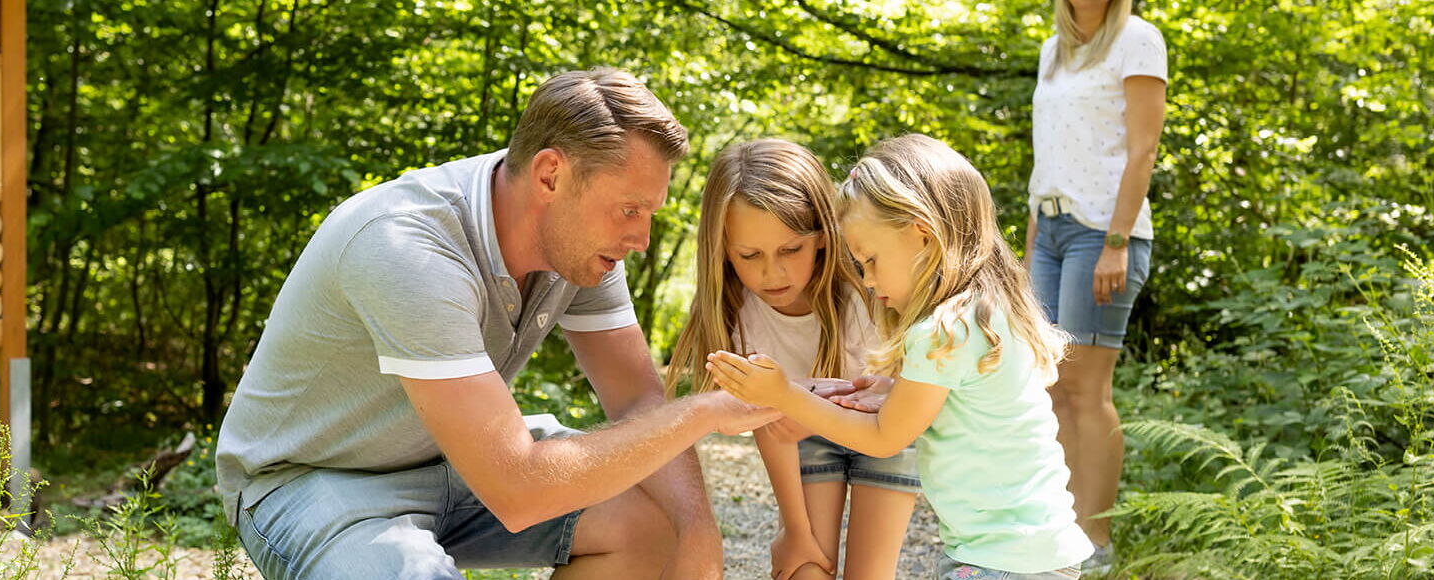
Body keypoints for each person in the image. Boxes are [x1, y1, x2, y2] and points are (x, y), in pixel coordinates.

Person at [214, 67, 780, 580]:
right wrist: (703, 411)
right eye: (629, 209)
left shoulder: (581, 247)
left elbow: (635, 397)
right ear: (551, 175)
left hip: (450, 464)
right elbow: (518, 488)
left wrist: (698, 538)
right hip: (315, 478)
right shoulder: (407, 247)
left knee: (658, 523)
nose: (641, 239)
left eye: (649, 214)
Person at [707, 134, 1093, 579]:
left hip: (1005, 559)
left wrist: (784, 395)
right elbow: (967, 401)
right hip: (1034, 551)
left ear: (922, 237)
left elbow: (883, 440)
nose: (867, 280)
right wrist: (895, 389)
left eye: (870, 260)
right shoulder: (985, 312)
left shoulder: (942, 332)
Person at [663, 138, 918, 580]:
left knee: (870, 574)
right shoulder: (736, 314)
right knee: (806, 566)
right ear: (723, 248)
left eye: (790, 250)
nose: (772, 273)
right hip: (800, 436)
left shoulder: (866, 291)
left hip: (884, 429)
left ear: (821, 236)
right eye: (750, 255)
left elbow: (897, 401)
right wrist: (794, 531)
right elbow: (771, 424)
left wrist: (808, 403)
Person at [1027, 0, 1169, 568]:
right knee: (1052, 388)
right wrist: (1032, 241)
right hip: (1050, 229)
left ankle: (1097, 544)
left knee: (1088, 390)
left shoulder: (1138, 39)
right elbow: (1049, 153)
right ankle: (1063, 533)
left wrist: (1117, 240)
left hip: (1102, 233)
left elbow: (1143, 150)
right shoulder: (1052, 50)